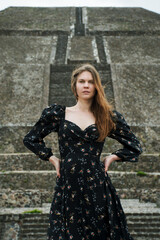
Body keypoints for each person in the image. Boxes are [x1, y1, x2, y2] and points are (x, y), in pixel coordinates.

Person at [23, 63, 143, 240]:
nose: (86, 85)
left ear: (96, 86)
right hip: (68, 185)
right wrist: (52, 158)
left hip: (96, 185)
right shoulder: (58, 114)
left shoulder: (107, 117)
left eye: (91, 81)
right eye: (82, 81)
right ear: (75, 85)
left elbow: (134, 145)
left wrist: (111, 157)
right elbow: (31, 139)